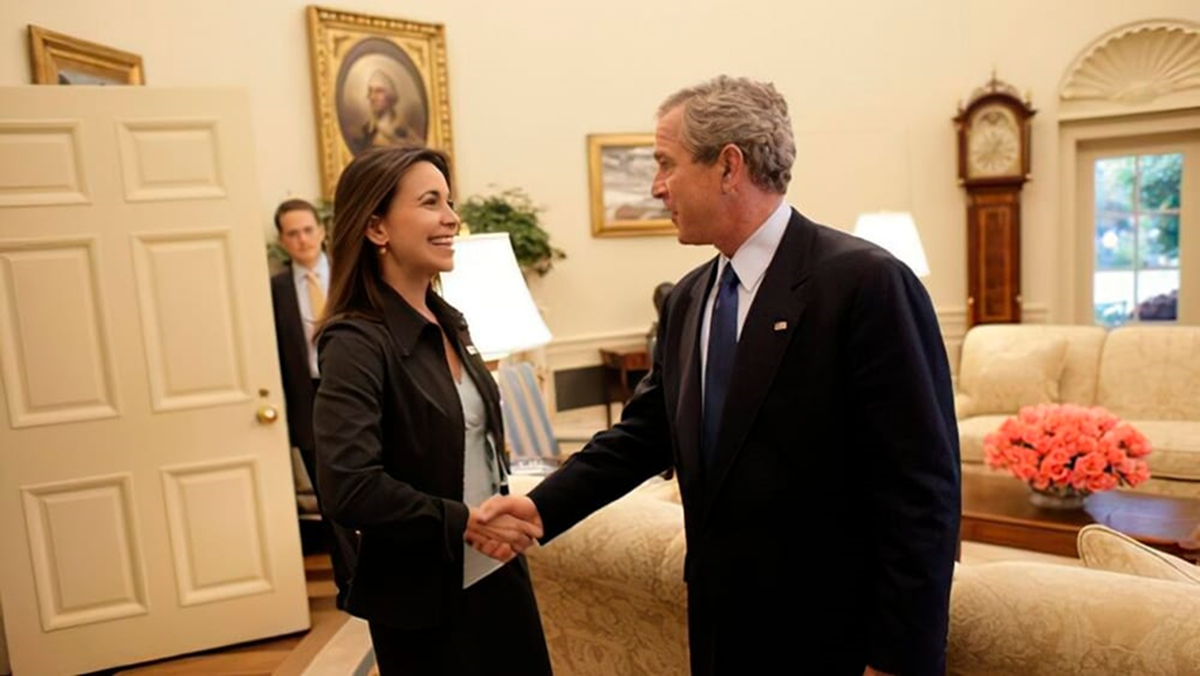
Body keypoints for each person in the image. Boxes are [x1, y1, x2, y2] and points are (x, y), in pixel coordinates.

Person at [480, 75, 961, 676]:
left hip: (836, 636)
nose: (656, 187)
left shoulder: (865, 284)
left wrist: (900, 658)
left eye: (665, 164)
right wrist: (540, 509)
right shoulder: (689, 298)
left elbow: (922, 490)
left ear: (728, 166)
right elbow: (643, 434)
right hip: (720, 629)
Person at [311, 146, 552, 675]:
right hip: (423, 601)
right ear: (376, 229)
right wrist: (465, 521)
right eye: (429, 202)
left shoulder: (451, 321)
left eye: (449, 201)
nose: (451, 218)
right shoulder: (354, 341)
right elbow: (350, 488)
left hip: (497, 576)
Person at [269, 198, 359, 609]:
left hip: (356, 392)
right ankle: (350, 583)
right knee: (330, 498)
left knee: (369, 486)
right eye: (292, 233)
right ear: (283, 241)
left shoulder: (349, 273)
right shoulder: (276, 290)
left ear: (321, 231)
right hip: (308, 399)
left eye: (307, 230)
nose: (302, 239)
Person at [355, 70, 423, 153]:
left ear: (390, 96)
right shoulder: (366, 132)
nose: (372, 97)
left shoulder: (403, 131)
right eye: (370, 91)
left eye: (378, 91)